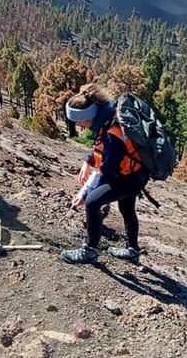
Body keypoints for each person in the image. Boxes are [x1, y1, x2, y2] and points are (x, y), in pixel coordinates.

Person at [61, 83, 150, 264]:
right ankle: (132, 250)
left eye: (79, 121)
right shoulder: (109, 115)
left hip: (127, 178)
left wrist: (85, 192)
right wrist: (88, 161)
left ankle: (90, 250)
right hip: (135, 172)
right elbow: (102, 148)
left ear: (88, 117)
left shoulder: (111, 132)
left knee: (92, 202)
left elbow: (106, 172)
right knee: (127, 209)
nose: (78, 125)